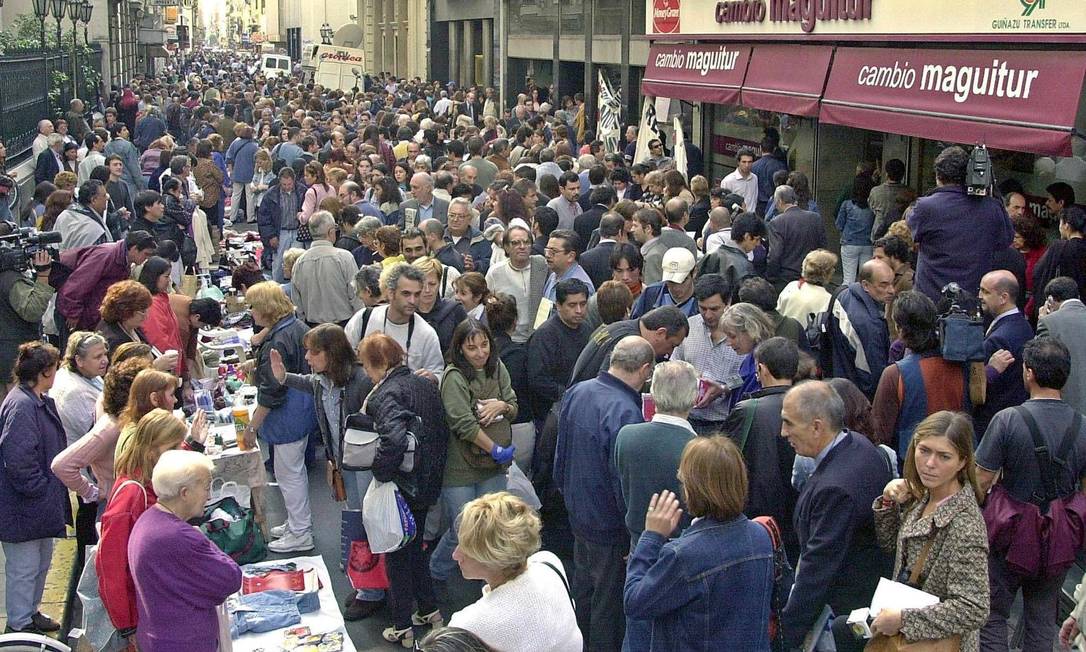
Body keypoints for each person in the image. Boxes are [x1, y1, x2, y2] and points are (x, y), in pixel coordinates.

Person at [975, 337, 1086, 652]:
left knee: (993, 614)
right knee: (1041, 618)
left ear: (1029, 373)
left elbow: (981, 480)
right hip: (1059, 537)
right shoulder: (1083, 427)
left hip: (1008, 533)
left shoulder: (1008, 420)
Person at [266, 323, 383, 618]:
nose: (307, 357)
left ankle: (373, 591)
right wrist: (285, 378)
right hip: (345, 464)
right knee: (361, 523)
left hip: (365, 467)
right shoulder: (323, 380)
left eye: (313, 352)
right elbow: (307, 381)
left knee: (368, 525)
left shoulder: (360, 383)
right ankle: (368, 583)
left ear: (330, 354)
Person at [625, 437, 774, 651]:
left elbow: (634, 603)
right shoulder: (761, 536)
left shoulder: (683, 556)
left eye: (683, 481)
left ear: (694, 488)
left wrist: (651, 537)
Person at [555, 336, 655, 652]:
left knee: (583, 594)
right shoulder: (626, 411)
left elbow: (561, 452)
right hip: (609, 526)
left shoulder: (578, 391)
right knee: (608, 607)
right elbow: (623, 479)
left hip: (578, 515)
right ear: (645, 369)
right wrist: (631, 531)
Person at [779, 381, 893, 652]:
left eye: (789, 423)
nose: (783, 433)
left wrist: (785, 636)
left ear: (817, 426)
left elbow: (817, 571)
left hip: (840, 620)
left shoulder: (835, 490)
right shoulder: (859, 445)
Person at [355, 334, 450, 645]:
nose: (366, 373)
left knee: (396, 553)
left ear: (380, 364)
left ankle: (402, 626)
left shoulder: (386, 394)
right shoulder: (424, 384)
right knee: (416, 548)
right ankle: (430, 611)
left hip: (401, 486)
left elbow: (393, 441)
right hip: (428, 481)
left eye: (368, 366)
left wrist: (381, 473)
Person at [868, 411, 989, 651]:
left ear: (962, 461)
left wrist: (904, 619)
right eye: (924, 451)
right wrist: (889, 502)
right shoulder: (923, 496)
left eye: (944, 456)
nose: (930, 463)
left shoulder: (965, 525)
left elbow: (974, 607)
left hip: (936, 644)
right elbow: (894, 548)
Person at [99, 408, 206, 646]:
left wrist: (192, 445)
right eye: (174, 448)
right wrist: (128, 626)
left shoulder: (147, 477)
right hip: (143, 613)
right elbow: (112, 567)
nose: (180, 454)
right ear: (150, 452)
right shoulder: (131, 496)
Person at [432, 319, 519, 583]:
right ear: (460, 350)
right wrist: (496, 449)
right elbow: (463, 425)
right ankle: (437, 571)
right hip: (461, 469)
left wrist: (501, 407)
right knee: (463, 530)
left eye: (484, 346)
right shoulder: (453, 378)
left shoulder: (498, 367)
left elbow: (514, 405)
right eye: (472, 348)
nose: (481, 353)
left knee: (491, 526)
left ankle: (483, 575)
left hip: (492, 468)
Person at [128, 450, 242, 652]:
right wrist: (205, 540)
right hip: (185, 642)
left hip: (159, 636)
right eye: (207, 487)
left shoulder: (147, 520)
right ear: (184, 493)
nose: (209, 495)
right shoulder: (180, 536)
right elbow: (231, 578)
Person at [447, 492, 583, 651]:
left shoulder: (466, 625)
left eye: (465, 547)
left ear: (492, 556)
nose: (455, 555)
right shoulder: (549, 563)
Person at [241, 281, 319, 553]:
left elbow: (271, 392)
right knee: (293, 473)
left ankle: (300, 532)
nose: (250, 311)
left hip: (287, 415)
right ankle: (297, 524)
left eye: (253, 306)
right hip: (300, 409)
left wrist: (252, 427)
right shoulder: (293, 326)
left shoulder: (277, 339)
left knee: (289, 475)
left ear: (265, 308)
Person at [0, 342, 68, 635]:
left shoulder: (33, 399)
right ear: (44, 372)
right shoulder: (22, 405)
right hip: (24, 505)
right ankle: (19, 625)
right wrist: (41, 489)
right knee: (24, 569)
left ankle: (30, 613)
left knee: (40, 564)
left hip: (36, 503)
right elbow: (18, 459)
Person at [722, 336, 800, 557]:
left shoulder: (748, 411)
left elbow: (725, 458)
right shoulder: (812, 404)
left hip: (755, 518)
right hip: (798, 515)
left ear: (761, 368)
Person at [907, 146, 1014, 302]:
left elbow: (911, 234)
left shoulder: (926, 207)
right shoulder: (991, 207)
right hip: (972, 302)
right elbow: (1005, 240)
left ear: (938, 176)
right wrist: (992, 191)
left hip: (928, 300)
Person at [51, 357, 148, 520]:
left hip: (131, 504)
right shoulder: (111, 426)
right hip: (115, 506)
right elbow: (62, 465)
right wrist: (92, 492)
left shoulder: (127, 421)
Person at [614, 360, 698, 546]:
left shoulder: (626, 436)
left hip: (640, 542)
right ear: (695, 397)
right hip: (683, 550)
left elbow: (621, 491)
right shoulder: (699, 450)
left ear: (652, 393)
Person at [669, 274, 743, 434]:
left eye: (714, 309)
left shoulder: (742, 334)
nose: (708, 315)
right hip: (688, 420)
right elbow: (674, 364)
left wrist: (724, 388)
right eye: (703, 308)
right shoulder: (689, 327)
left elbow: (748, 376)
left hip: (724, 423)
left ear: (728, 302)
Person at [345, 263, 444, 379]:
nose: (412, 300)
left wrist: (433, 378)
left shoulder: (426, 333)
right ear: (391, 293)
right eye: (406, 294)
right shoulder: (363, 318)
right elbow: (344, 359)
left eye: (417, 294)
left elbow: (437, 372)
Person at [568, 305, 689, 387]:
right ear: (661, 333)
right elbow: (607, 386)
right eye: (672, 345)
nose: (669, 353)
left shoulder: (620, 327)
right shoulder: (630, 345)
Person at [974, 270, 1033, 435]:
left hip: (993, 420)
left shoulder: (999, 339)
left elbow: (978, 387)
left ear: (1004, 297)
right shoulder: (1023, 325)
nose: (979, 296)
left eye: (985, 291)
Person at [828, 259, 896, 398]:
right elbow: (874, 377)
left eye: (892, 283)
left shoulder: (844, 294)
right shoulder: (868, 325)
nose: (891, 290)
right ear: (865, 285)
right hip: (858, 397)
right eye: (884, 285)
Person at [526, 278, 591, 420]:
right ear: (559, 306)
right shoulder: (545, 336)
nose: (579, 310)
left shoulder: (586, 329)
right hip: (550, 412)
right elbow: (537, 379)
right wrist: (568, 393)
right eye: (572, 305)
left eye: (583, 304)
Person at [290, 210, 361, 327]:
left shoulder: (299, 262)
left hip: (313, 326)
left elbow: (297, 302)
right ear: (331, 232)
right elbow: (355, 294)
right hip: (343, 325)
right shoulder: (344, 257)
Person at [0, 247, 55, 396]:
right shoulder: (10, 280)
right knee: (21, 406)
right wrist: (43, 275)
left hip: (7, 359)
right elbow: (32, 311)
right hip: (15, 360)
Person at [485, 226, 548, 343]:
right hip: (509, 339)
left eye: (526, 242)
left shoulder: (541, 266)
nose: (522, 247)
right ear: (506, 247)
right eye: (515, 243)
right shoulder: (495, 272)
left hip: (538, 337)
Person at [1037, 276, 1086, 416]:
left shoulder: (1048, 323)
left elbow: (1039, 361)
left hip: (1069, 408)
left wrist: (1043, 319)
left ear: (1050, 301)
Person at [766, 185, 827, 291]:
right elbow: (823, 247)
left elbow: (775, 254)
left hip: (786, 278)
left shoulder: (777, 222)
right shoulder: (815, 218)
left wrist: (771, 277)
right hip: (812, 275)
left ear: (779, 201)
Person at [719, 302, 775, 411]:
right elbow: (741, 378)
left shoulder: (768, 361)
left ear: (751, 330)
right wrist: (722, 388)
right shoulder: (751, 356)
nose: (728, 343)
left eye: (732, 336)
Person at [257, 166, 308, 282]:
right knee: (279, 263)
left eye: (289, 184)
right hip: (281, 232)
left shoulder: (302, 191)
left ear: (294, 180)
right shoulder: (271, 195)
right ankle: (278, 288)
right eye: (284, 184)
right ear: (279, 181)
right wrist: (271, 236)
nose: (287, 187)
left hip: (297, 231)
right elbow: (264, 218)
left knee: (298, 262)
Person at [137, 256, 185, 376]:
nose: (169, 280)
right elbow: (158, 339)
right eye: (166, 276)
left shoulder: (162, 298)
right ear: (154, 277)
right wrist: (173, 365)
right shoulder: (152, 304)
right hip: (166, 368)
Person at [413, 256, 470, 354]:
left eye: (432, 284)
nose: (427, 290)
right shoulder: (405, 313)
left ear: (439, 283)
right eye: (421, 285)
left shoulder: (455, 310)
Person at [1031, 206, 1086, 306]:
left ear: (1066, 225)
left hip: (1060, 302)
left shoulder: (1059, 247)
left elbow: (1038, 272)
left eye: (1060, 223)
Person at [630, 247, 697, 319]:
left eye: (683, 281)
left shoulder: (702, 298)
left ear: (694, 273)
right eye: (670, 282)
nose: (676, 288)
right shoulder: (651, 294)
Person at [836, 174, 877, 286]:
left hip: (849, 243)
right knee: (865, 280)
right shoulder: (873, 206)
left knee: (848, 279)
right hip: (868, 244)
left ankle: (844, 302)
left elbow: (839, 225)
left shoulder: (846, 205)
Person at [541, 228, 595, 302]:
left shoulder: (582, 285)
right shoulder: (554, 275)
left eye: (553, 251)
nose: (547, 255)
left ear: (571, 256)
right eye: (547, 250)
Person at [869, 158, 916, 240]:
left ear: (886, 174)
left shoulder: (875, 191)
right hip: (903, 233)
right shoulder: (910, 192)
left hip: (879, 234)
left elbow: (872, 208)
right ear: (902, 175)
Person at [720, 148, 758, 212]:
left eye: (750, 162)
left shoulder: (754, 178)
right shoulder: (728, 181)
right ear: (738, 162)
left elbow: (754, 200)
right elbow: (724, 205)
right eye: (744, 162)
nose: (747, 165)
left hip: (751, 217)